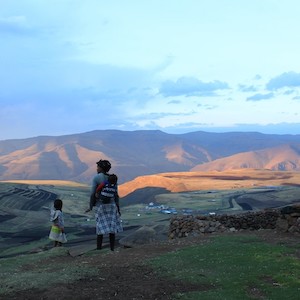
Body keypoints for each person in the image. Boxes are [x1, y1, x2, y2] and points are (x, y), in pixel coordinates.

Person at [86, 159, 123, 251]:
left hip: (101, 206)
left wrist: (91, 206)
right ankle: (112, 248)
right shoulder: (113, 178)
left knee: (100, 227)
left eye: (98, 167)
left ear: (101, 168)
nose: (96, 169)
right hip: (112, 206)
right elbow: (116, 195)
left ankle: (99, 248)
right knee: (112, 227)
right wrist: (118, 208)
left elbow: (92, 193)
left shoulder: (97, 178)